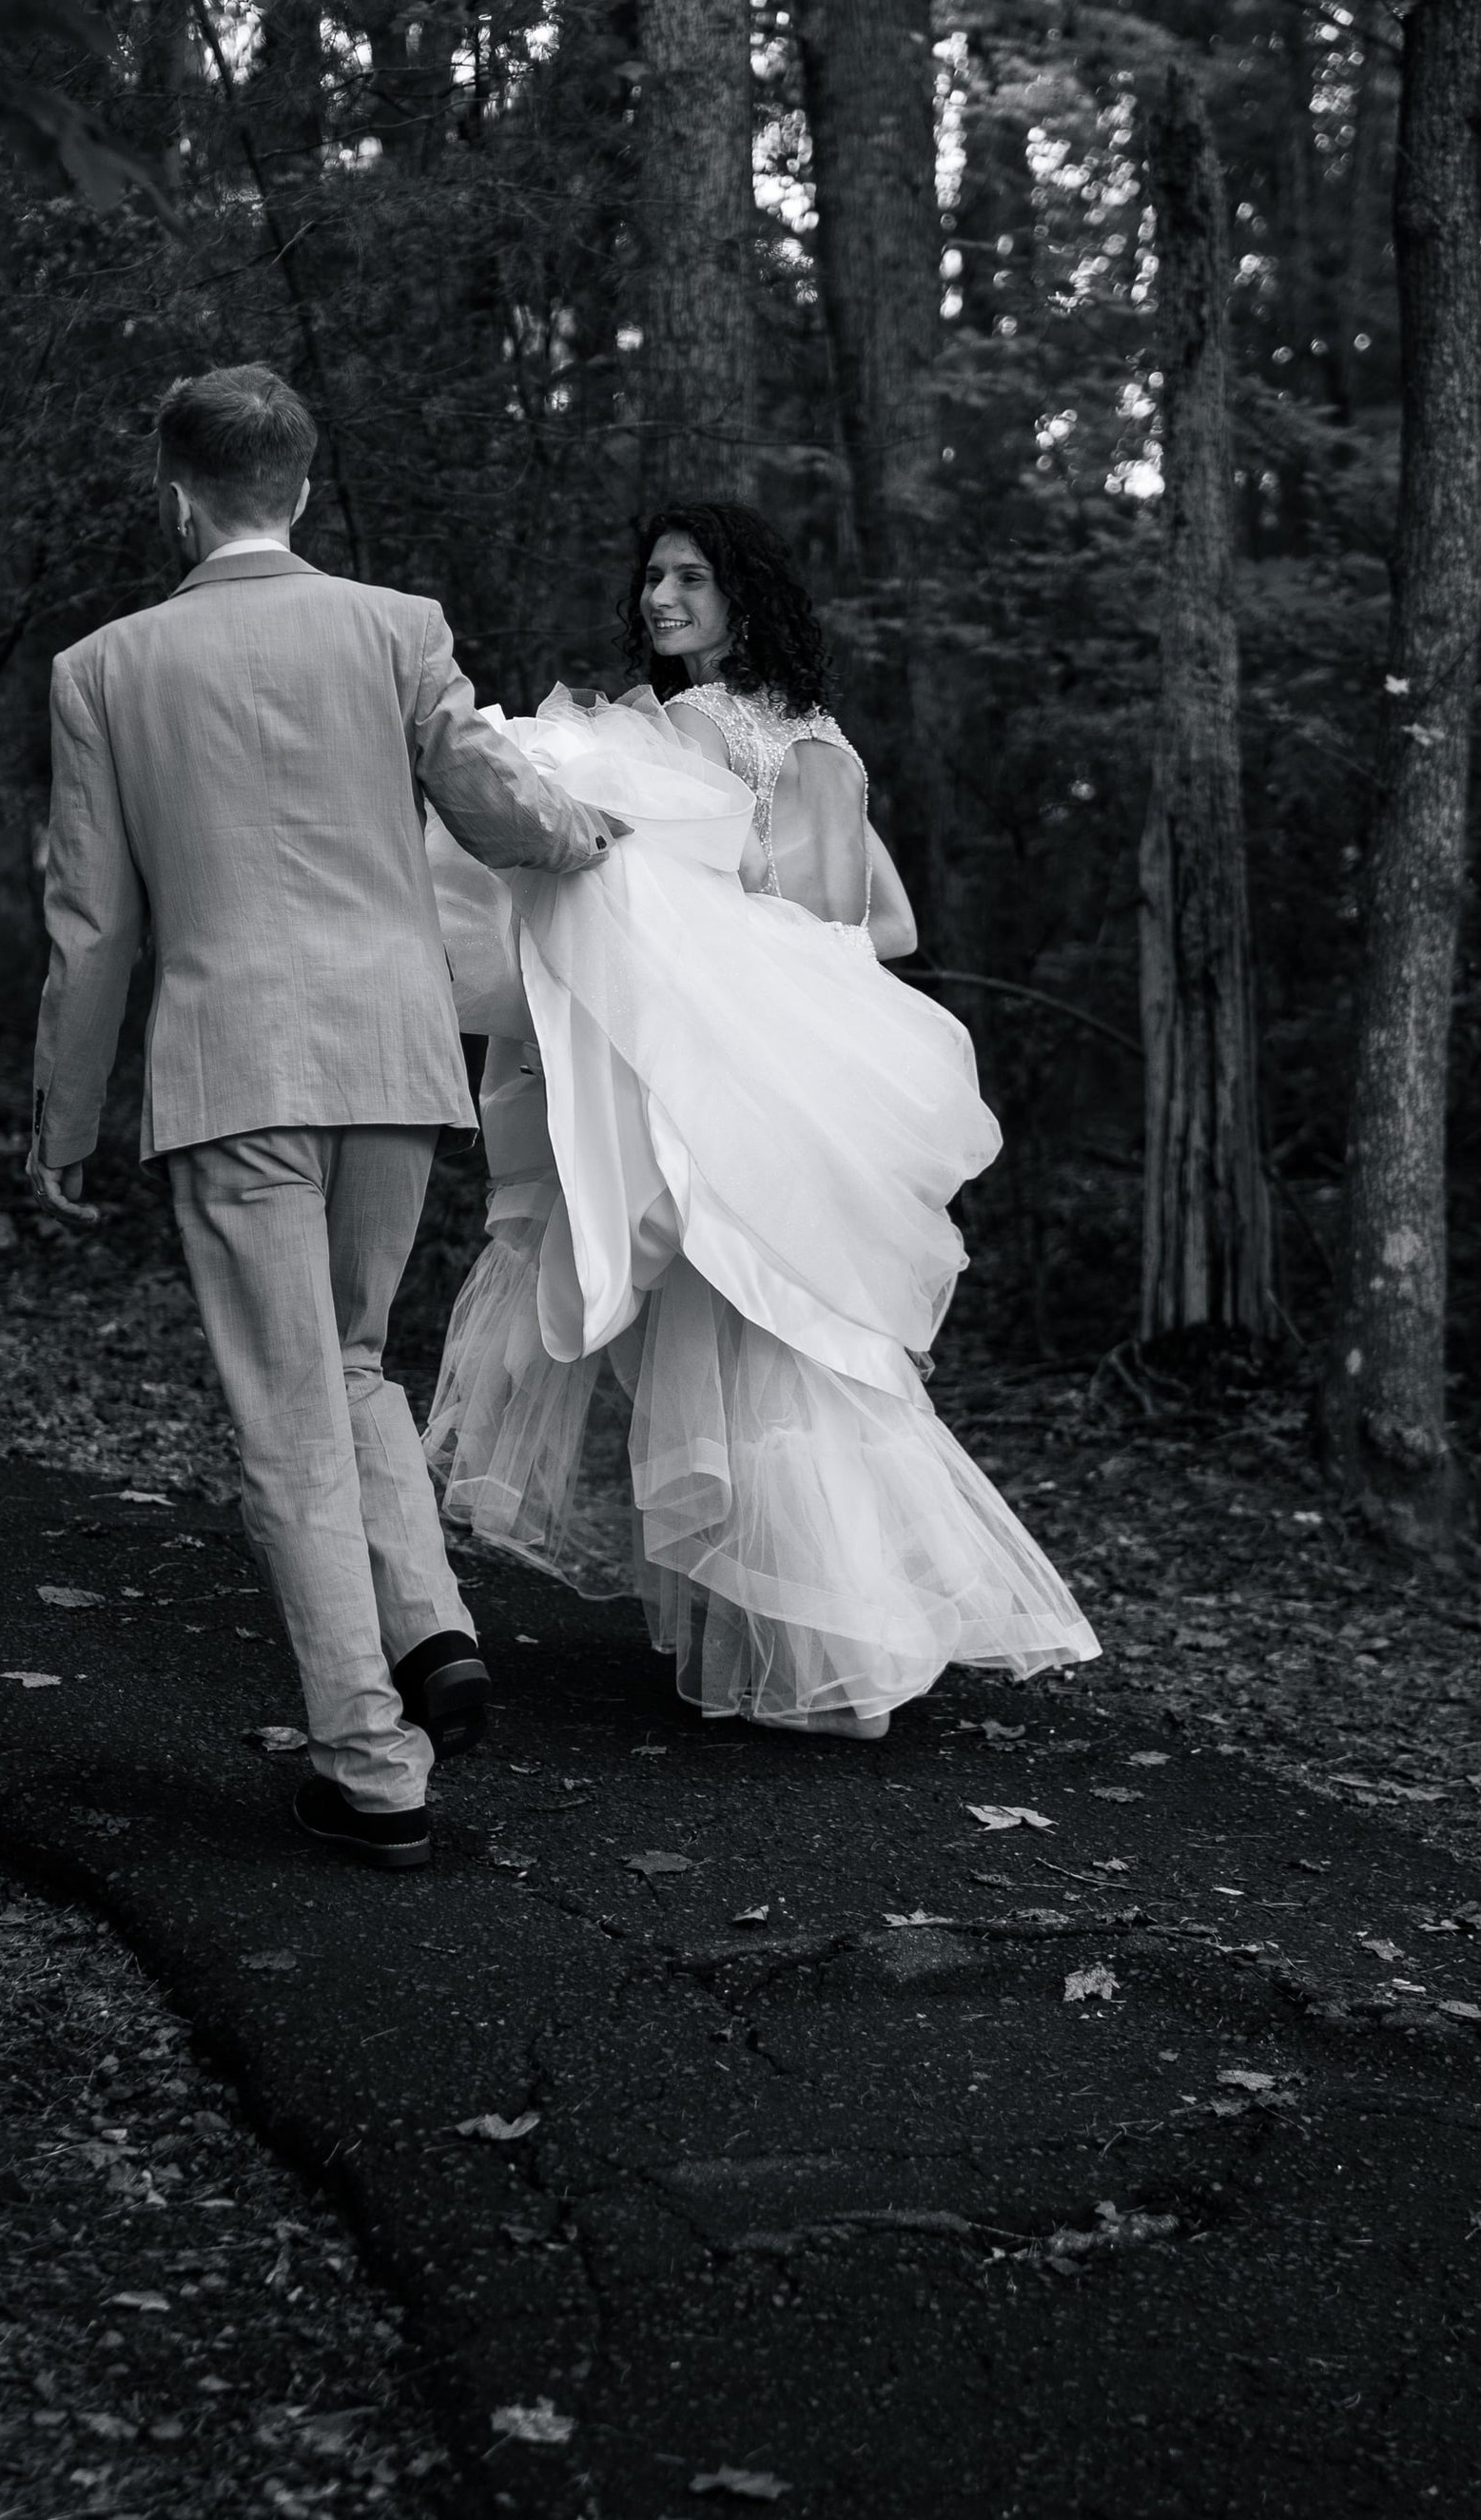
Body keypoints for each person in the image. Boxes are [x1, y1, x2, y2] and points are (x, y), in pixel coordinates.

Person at [26, 364, 627, 1868]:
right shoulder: (396, 627)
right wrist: (588, 828)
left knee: (286, 1407)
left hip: (231, 1070)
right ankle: (428, 1625)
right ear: (297, 486)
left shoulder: (103, 668)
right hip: (390, 1056)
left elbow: (90, 925)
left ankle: (371, 1761)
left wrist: (62, 1120)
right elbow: (496, 804)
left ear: (178, 494)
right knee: (350, 1362)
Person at [423, 499, 1098, 1737]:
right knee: (810, 1342)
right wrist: (792, 970)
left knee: (739, 1336)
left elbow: (628, 885)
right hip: (833, 1056)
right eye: (650, 579)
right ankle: (838, 1635)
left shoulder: (673, 724)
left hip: (741, 1060)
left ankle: (774, 1647)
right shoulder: (833, 745)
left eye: (688, 578)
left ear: (743, 595)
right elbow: (885, 925)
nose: (658, 598)